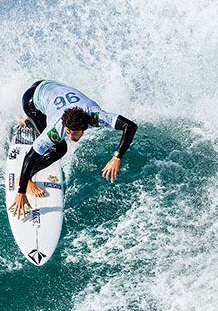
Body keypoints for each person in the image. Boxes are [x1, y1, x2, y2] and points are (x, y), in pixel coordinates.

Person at [8, 80, 137, 218]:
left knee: (51, 132)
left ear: (84, 126)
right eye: (68, 132)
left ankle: (28, 123)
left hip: (49, 86)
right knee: (59, 148)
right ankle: (24, 179)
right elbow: (30, 157)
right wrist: (20, 192)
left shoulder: (96, 117)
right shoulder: (57, 128)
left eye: (75, 133)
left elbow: (130, 126)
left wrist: (116, 157)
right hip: (32, 100)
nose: (70, 137)